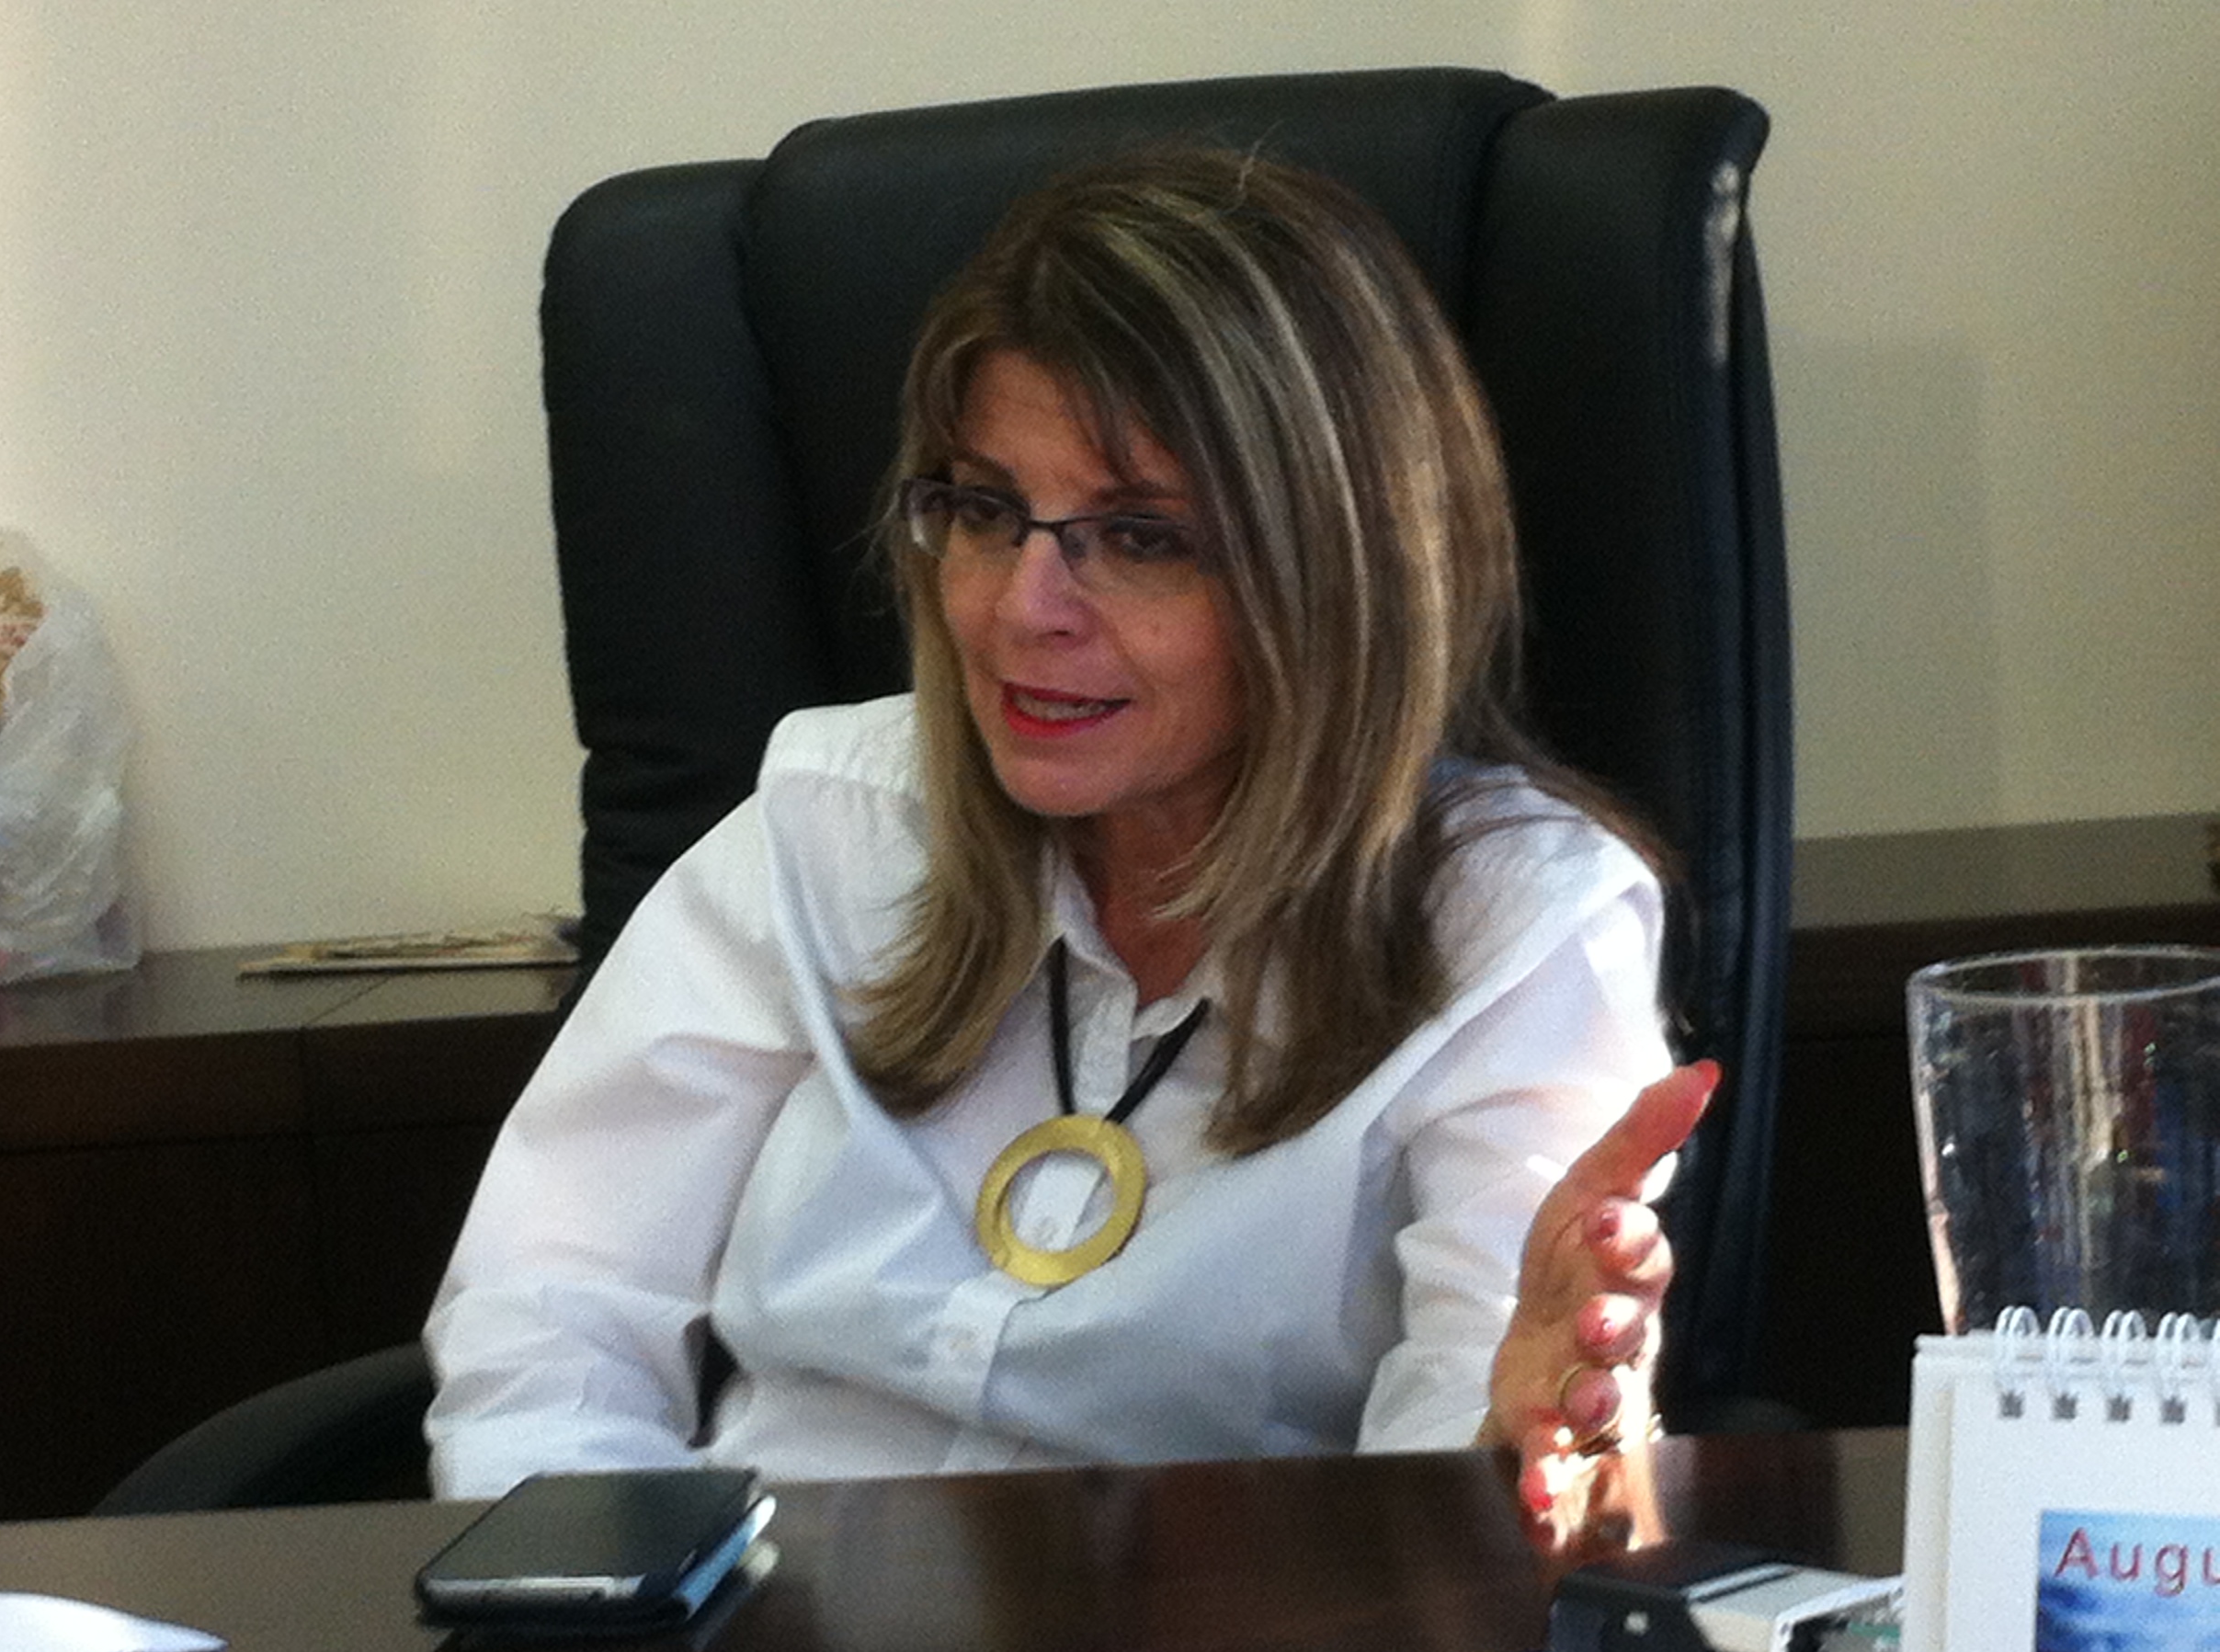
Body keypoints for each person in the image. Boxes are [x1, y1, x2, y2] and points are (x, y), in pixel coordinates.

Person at [424, 145, 1714, 1549]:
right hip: (761, 1637)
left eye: (1141, 537)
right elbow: (550, 1313)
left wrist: (1506, 1447)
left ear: (1337, 574)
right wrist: (595, 1613)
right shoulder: (833, 826)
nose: (1022, 608)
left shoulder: (1513, 927)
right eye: (984, 511)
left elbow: (1465, 1473)